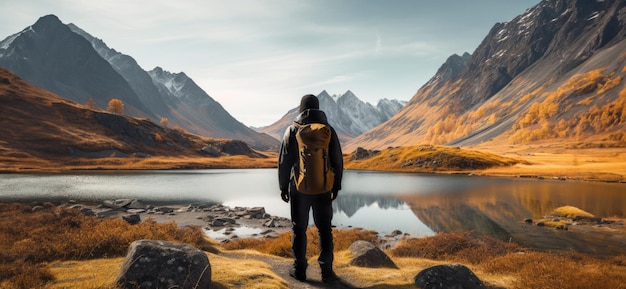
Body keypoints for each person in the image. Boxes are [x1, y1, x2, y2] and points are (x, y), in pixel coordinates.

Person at [278, 94, 343, 283]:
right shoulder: (328, 130)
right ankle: (327, 272)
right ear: (318, 109)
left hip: (299, 189)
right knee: (325, 230)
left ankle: (299, 270)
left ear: (301, 109)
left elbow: (284, 161)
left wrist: (283, 186)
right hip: (323, 188)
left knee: (299, 229)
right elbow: (337, 160)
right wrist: (336, 185)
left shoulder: (292, 129)